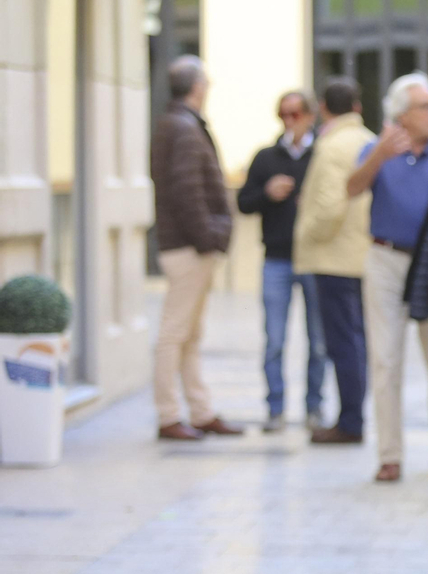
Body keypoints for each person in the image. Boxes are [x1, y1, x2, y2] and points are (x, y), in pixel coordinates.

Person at [346, 72, 428, 482]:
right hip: (386, 259)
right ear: (402, 115)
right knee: (385, 358)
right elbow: (351, 189)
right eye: (426, 106)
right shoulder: (377, 149)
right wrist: (378, 156)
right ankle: (389, 454)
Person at [149, 56, 243, 440]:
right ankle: (169, 415)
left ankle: (199, 410)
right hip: (188, 247)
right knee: (176, 333)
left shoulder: (176, 124)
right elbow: (187, 192)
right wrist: (209, 239)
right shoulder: (184, 129)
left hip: (188, 244)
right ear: (197, 87)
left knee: (189, 334)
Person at [238, 90, 326, 433]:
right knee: (274, 339)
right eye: (283, 115)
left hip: (315, 260)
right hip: (276, 259)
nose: (289, 122)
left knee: (318, 342)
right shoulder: (265, 157)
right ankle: (275, 410)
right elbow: (244, 203)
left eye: (294, 114)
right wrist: (267, 193)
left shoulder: (322, 154)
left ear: (309, 116)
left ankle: (314, 409)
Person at [295, 77, 375, 446]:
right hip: (360, 255)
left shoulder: (332, 147)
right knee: (355, 341)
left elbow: (328, 208)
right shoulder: (368, 140)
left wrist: (306, 233)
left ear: (324, 109)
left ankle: (350, 421)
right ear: (357, 106)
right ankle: (353, 416)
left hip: (333, 258)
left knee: (342, 343)